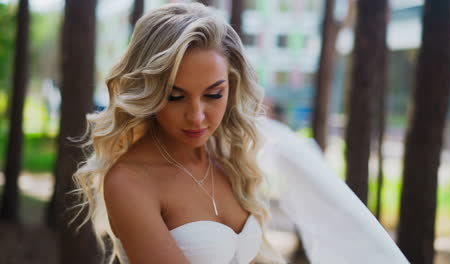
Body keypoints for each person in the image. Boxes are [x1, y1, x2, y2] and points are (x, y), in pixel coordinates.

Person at [72, 3, 410, 264]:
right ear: (148, 92)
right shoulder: (130, 181)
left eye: (213, 94)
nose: (197, 116)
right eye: (175, 96)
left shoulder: (230, 157)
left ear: (232, 88)